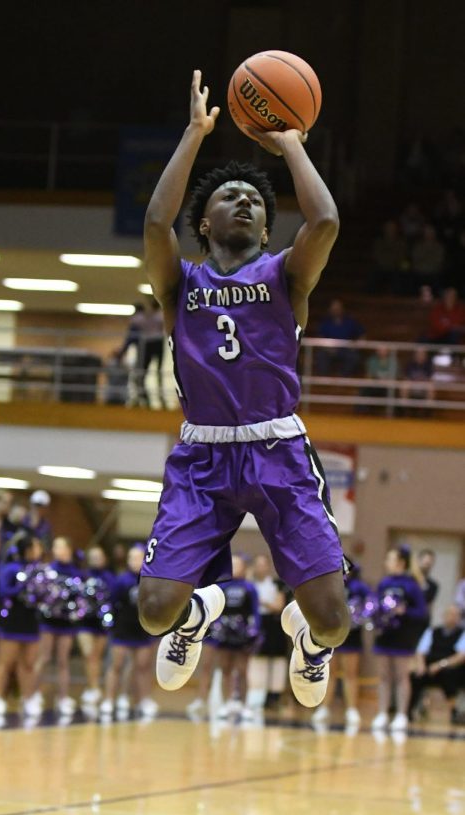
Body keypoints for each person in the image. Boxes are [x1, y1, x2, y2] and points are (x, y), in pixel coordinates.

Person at [136, 70, 350, 713]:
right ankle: (197, 610)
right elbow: (153, 222)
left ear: (264, 233)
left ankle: (308, 643)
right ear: (205, 222)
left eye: (255, 201)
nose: (246, 201)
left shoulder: (286, 277)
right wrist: (195, 135)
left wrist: (288, 144)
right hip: (202, 458)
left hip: (279, 451)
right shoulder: (181, 285)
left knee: (335, 621)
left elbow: (327, 219)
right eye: (230, 195)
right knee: (152, 612)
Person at [371, 545, 427, 732]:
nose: (386, 562)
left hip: (403, 637)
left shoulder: (412, 585)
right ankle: (382, 712)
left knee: (402, 676)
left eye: (390, 559)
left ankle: (402, 714)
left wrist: (404, 611)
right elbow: (376, 604)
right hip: (384, 635)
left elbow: (422, 613)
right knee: (384, 676)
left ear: (401, 563)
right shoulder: (384, 583)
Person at [100, 545, 158, 720]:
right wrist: (111, 625)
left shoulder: (151, 580)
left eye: (138, 557)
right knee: (116, 665)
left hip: (142, 630)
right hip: (123, 629)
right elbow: (112, 604)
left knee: (143, 667)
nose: (134, 561)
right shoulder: (121, 581)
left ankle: (143, 700)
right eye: (131, 557)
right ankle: (108, 700)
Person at [312, 564, 371, 730]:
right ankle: (324, 708)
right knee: (329, 672)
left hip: (351, 635)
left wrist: (359, 616)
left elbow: (370, 604)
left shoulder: (359, 587)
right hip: (332, 632)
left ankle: (351, 709)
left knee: (350, 673)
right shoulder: (329, 585)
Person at [0, 534, 43, 718]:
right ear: (27, 549)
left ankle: (28, 699)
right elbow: (3, 590)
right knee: (5, 662)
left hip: (31, 621)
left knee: (28, 663)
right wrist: (23, 585)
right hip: (13, 619)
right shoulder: (11, 568)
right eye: (36, 546)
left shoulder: (40, 570)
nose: (40, 550)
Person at [34, 536, 81, 716]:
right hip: (48, 621)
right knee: (44, 658)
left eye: (61, 547)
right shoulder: (47, 571)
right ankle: (33, 695)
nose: (58, 550)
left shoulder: (76, 573)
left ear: (69, 549)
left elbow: (80, 599)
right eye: (55, 547)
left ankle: (62, 698)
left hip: (66, 623)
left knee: (63, 661)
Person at [211, 554, 260, 720]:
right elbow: (216, 608)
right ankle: (226, 704)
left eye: (238, 564)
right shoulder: (222, 586)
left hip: (242, 632)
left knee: (242, 670)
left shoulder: (249, 587)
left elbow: (255, 611)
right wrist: (216, 625)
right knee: (225, 668)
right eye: (232, 564)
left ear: (244, 568)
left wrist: (254, 630)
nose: (235, 567)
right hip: (225, 631)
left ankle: (244, 705)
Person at [409, 606, 465, 724]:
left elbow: (461, 656)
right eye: (450, 614)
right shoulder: (433, 631)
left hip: (451, 668)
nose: (452, 618)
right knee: (416, 676)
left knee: (449, 675)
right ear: (443, 616)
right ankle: (409, 710)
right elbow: (420, 651)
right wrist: (421, 665)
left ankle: (454, 711)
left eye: (456, 615)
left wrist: (441, 665)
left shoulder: (462, 633)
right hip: (430, 666)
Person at [248, 554, 288, 712]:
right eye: (257, 565)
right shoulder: (250, 584)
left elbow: (278, 606)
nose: (261, 568)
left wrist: (261, 601)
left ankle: (274, 696)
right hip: (257, 623)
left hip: (274, 625)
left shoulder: (276, 584)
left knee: (277, 661)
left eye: (263, 565)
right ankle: (257, 694)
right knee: (258, 660)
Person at [78, 545, 116, 707]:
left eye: (98, 556)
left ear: (104, 559)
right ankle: (93, 687)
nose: (95, 559)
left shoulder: (109, 577)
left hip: (101, 623)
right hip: (85, 621)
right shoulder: (82, 576)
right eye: (92, 556)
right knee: (89, 654)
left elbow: (114, 598)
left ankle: (93, 687)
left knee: (96, 656)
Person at [116, 300, 165, 407]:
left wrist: (122, 352)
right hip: (154, 343)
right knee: (150, 372)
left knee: (144, 373)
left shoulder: (142, 317)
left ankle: (147, 399)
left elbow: (130, 337)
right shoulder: (153, 316)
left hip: (149, 344)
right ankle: (147, 398)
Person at [316, 299, 365, 377]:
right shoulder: (325, 323)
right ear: (330, 309)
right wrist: (328, 348)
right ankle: (325, 380)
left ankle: (343, 378)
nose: (336, 310)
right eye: (334, 308)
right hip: (329, 350)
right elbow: (319, 337)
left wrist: (355, 346)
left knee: (354, 357)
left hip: (346, 349)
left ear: (342, 309)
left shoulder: (350, 322)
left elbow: (362, 335)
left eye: (338, 308)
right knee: (321, 356)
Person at [417, 548, 439, 621]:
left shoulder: (433, 585)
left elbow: (429, 605)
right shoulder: (407, 581)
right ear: (419, 560)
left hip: (421, 620)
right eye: (426, 563)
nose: (427, 565)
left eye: (430, 563)